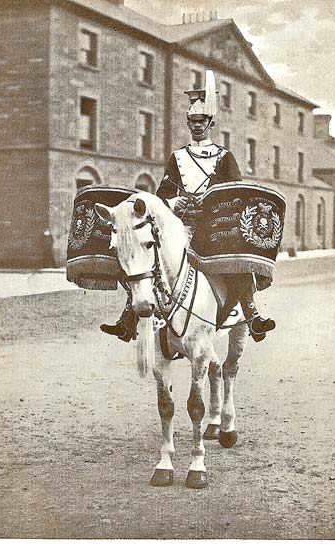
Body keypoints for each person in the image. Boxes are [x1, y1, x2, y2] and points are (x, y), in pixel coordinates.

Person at [100, 70, 275, 342]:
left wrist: (212, 201)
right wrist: (174, 200)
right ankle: (128, 319)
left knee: (236, 262)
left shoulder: (224, 157)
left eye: (201, 121)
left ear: (211, 123)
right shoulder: (177, 157)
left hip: (215, 227)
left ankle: (252, 316)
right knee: (142, 258)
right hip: (181, 224)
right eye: (192, 121)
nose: (196, 126)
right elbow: (161, 193)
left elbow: (236, 194)